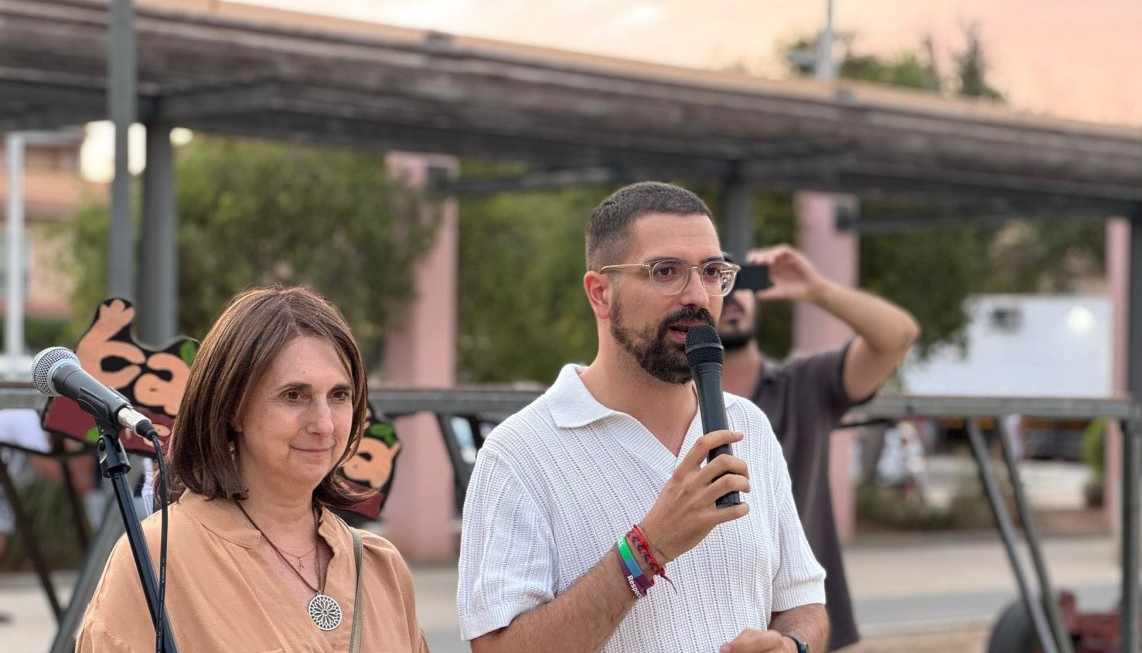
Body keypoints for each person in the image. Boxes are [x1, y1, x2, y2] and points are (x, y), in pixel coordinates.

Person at [457, 182, 829, 653]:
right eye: (665, 271)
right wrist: (647, 548)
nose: (698, 295)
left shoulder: (747, 425)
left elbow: (803, 600)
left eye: (713, 271)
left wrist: (791, 645)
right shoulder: (520, 453)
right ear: (600, 293)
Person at [78, 286, 429, 651]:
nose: (324, 424)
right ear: (233, 407)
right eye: (294, 395)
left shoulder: (380, 567)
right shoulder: (158, 559)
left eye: (339, 395)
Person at [718, 244, 920, 651]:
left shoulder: (801, 385)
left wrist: (817, 290)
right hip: (706, 622)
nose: (732, 295)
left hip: (801, 626)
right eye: (716, 281)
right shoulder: (667, 403)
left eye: (740, 280)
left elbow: (898, 336)